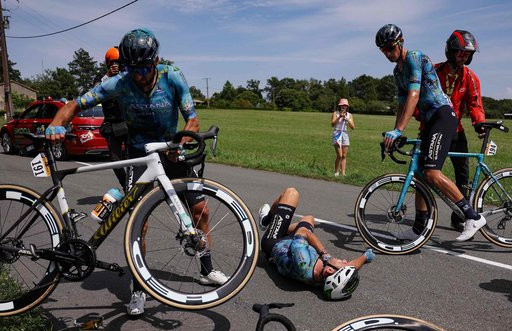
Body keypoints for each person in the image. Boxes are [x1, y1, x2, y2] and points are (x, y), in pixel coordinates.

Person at [45, 28, 228, 316]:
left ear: (155, 61)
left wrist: (179, 142)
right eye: (133, 68)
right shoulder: (120, 82)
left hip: (171, 148)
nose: (139, 75)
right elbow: (74, 105)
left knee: (200, 211)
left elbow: (192, 119)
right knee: (138, 223)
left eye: (144, 68)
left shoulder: (173, 76)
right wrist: (58, 122)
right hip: (139, 155)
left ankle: (206, 268)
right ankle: (139, 287)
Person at [375, 24, 485, 242]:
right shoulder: (397, 72)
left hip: (442, 116)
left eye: (390, 47)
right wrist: (394, 131)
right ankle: (418, 228)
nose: (388, 53)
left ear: (400, 42)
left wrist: (399, 129)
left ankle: (472, 216)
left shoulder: (414, 57)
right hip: (428, 122)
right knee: (420, 175)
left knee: (433, 173)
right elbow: (402, 104)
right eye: (383, 50)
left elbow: (414, 95)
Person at [258, 187, 374, 300]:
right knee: (309, 219)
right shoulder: (326, 279)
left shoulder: (303, 263)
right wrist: (365, 257)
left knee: (292, 193)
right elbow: (351, 267)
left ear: (329, 270)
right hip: (293, 245)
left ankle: (266, 221)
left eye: (343, 263)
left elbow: (303, 232)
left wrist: (325, 254)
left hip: (273, 241)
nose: (344, 261)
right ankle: (281, 224)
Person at [434, 30, 486, 230]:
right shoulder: (434, 72)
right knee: (425, 173)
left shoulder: (471, 78)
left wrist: (479, 122)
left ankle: (461, 216)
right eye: (460, 53)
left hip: (457, 132)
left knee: (463, 177)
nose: (464, 57)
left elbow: (475, 104)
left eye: (468, 54)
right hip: (433, 131)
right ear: (451, 51)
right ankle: (422, 219)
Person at [99, 46, 128, 189]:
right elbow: (96, 91)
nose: (116, 65)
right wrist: (108, 77)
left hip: (127, 123)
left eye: (118, 62)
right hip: (111, 124)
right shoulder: (103, 79)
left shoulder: (127, 77)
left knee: (133, 158)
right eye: (113, 62)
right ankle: (125, 185)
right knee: (115, 160)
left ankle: (134, 185)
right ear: (108, 64)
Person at [331, 98, 355, 177]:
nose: (343, 107)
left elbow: (353, 127)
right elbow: (332, 124)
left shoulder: (349, 115)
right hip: (337, 133)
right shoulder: (335, 113)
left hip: (345, 134)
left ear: (347, 107)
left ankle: (343, 173)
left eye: (345, 105)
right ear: (339, 106)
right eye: (342, 105)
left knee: (344, 155)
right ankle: (336, 171)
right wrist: (339, 117)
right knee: (340, 155)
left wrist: (346, 119)